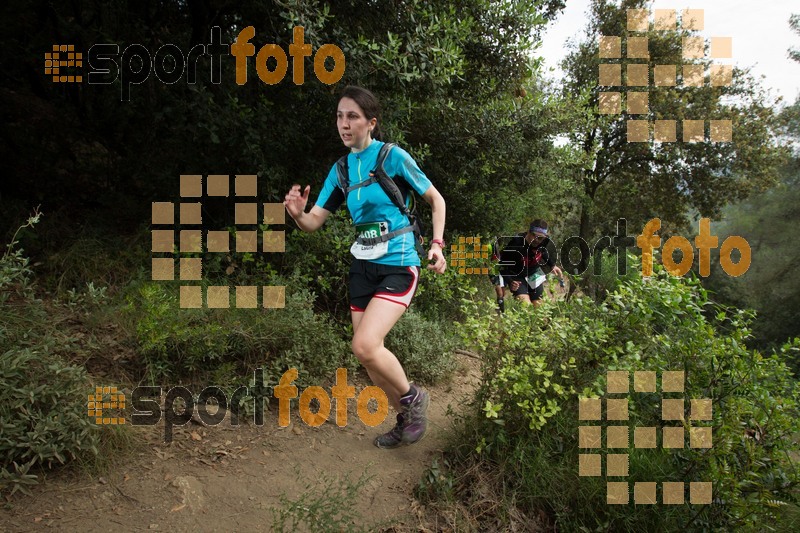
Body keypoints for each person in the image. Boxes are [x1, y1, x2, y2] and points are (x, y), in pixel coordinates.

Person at [283, 86, 447, 449]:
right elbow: (313, 223)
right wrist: (297, 214)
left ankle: (414, 398)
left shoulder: (392, 157)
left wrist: (437, 244)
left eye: (352, 116)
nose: (344, 124)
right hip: (363, 265)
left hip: (399, 262)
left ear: (371, 123)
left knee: (365, 343)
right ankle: (405, 421)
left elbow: (437, 200)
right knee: (368, 357)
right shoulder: (340, 170)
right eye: (340, 116)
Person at [498, 219, 563, 307]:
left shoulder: (544, 241)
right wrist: (510, 281)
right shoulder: (516, 243)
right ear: (529, 232)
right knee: (526, 307)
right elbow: (502, 266)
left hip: (534, 274)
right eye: (534, 236)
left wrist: (552, 265)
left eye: (540, 238)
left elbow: (543, 252)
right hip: (517, 276)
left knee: (539, 308)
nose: (537, 240)